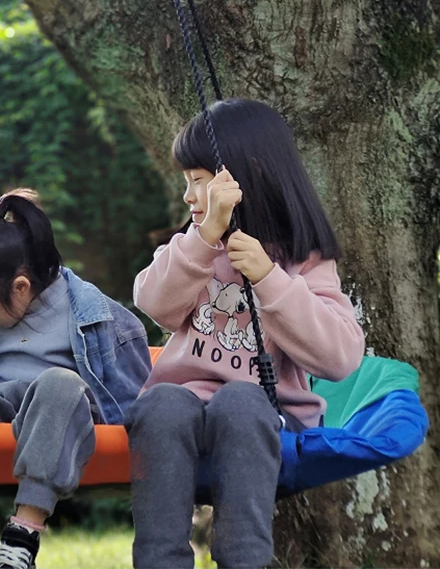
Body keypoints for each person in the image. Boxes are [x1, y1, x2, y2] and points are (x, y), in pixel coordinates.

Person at [127, 99, 365, 569]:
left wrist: (270, 279)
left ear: (244, 177)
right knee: (159, 402)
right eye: (187, 183)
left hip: (265, 414)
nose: (189, 197)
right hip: (182, 411)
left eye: (198, 181)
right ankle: (160, 560)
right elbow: (152, 302)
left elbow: (340, 357)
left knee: (240, 402)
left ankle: (244, 560)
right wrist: (202, 241)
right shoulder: (193, 247)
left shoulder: (303, 258)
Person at [0, 190, 151, 569]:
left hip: (62, 416)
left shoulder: (104, 321)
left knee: (59, 382)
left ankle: (22, 537)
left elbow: (135, 400)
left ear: (20, 287)